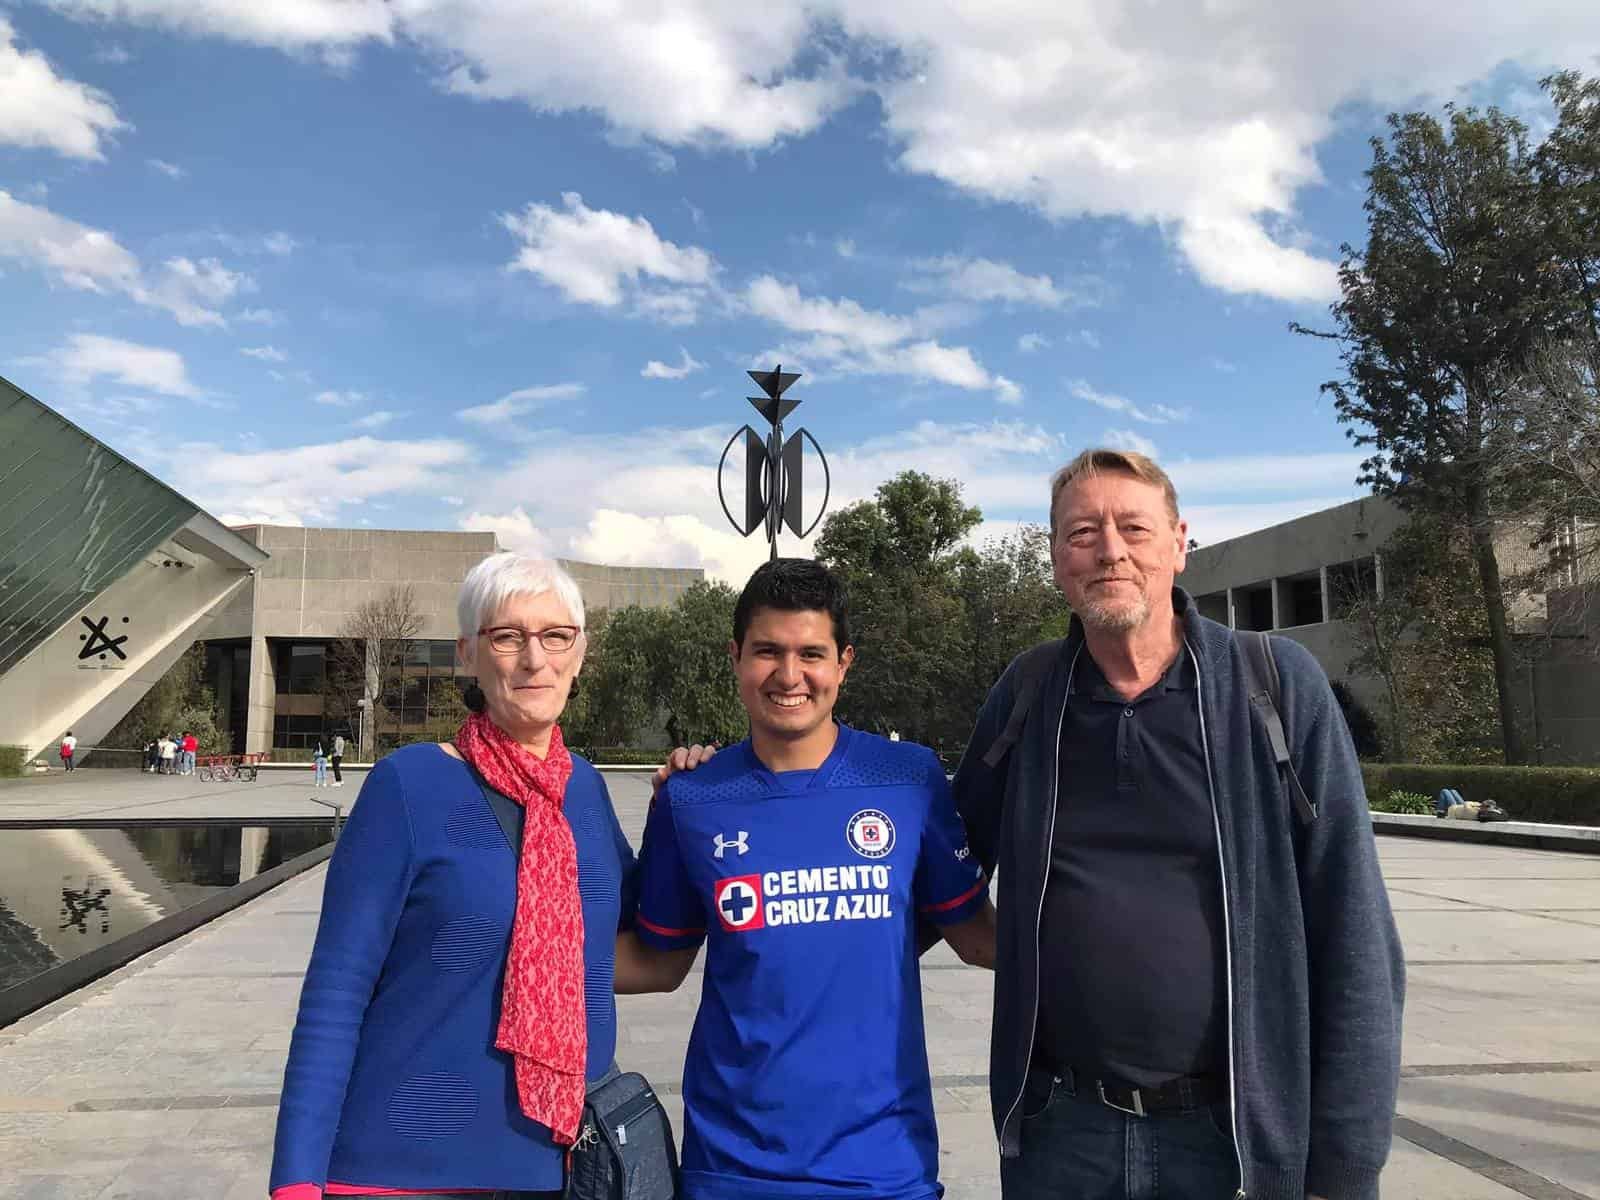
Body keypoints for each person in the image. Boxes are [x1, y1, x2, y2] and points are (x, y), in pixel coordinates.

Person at [951, 448, 1405, 1200]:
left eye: (1133, 526)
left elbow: (1354, 927)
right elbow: (941, 858)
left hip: (1230, 1138)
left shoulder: (1275, 686)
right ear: (1057, 557)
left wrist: (1346, 1166)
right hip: (1060, 1132)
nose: (1111, 550)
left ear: (1179, 542)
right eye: (1082, 532)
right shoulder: (1028, 696)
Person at [271, 553, 666, 1199]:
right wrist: (295, 1181)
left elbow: (639, 951)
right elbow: (337, 992)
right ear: (468, 655)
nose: (534, 659)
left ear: (580, 652)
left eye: (555, 636)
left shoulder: (586, 791)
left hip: (560, 1168)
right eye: (507, 637)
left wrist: (692, 805)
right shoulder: (411, 784)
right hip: (399, 1172)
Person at [632, 557, 996, 1200]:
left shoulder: (909, 779)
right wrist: (493, 955)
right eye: (768, 651)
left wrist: (1110, 944)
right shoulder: (689, 797)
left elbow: (977, 938)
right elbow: (657, 964)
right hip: (731, 1168)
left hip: (885, 1166)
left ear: (844, 662)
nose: (790, 675)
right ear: (736, 656)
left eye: (811, 653)